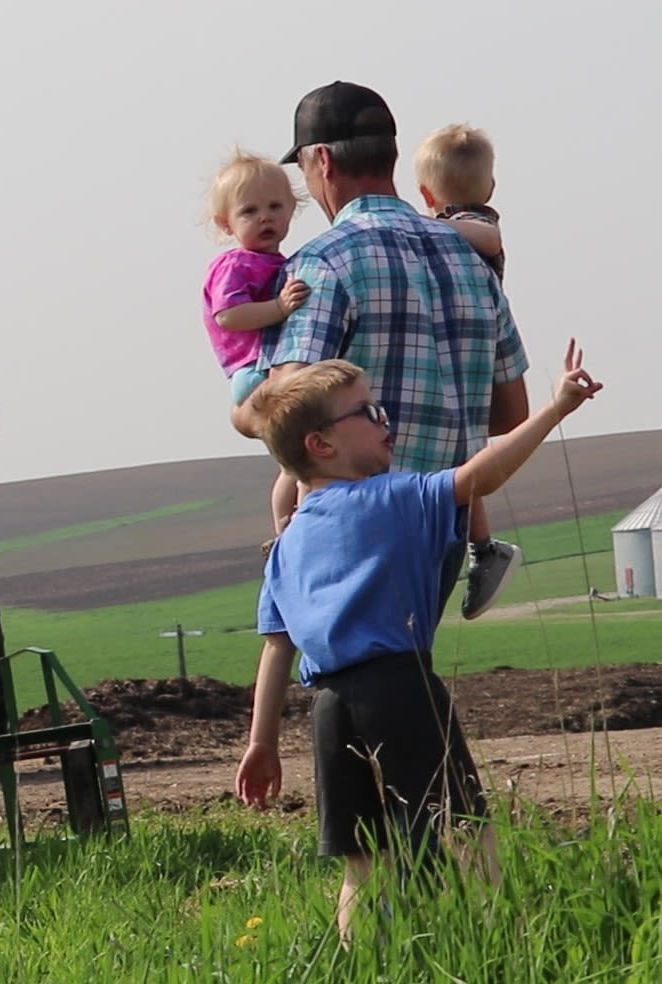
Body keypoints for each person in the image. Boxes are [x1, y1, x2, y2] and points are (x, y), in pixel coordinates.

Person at [234, 342, 604, 945]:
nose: (386, 422)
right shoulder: (389, 497)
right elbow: (484, 474)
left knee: (363, 864)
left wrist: (261, 743)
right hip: (399, 691)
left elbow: (277, 649)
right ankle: (488, 949)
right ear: (320, 445)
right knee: (465, 833)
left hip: (329, 710)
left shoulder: (287, 544)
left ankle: (368, 964)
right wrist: (556, 408)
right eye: (367, 413)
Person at [233, 80, 531, 621]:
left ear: (321, 160)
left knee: (354, 689)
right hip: (440, 523)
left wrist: (242, 412)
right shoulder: (471, 260)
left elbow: (287, 407)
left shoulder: (323, 262)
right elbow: (511, 413)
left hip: (354, 529)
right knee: (405, 680)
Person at [201, 149, 311, 539]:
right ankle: (291, 523)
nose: (265, 216)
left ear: (292, 210)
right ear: (226, 223)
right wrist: (279, 308)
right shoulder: (236, 265)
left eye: (275, 206)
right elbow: (229, 315)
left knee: (296, 459)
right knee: (302, 457)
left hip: (267, 367)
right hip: (255, 371)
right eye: (249, 211)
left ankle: (290, 524)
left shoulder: (276, 262)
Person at [416, 123, 506, 280]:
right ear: (491, 188)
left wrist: (425, 222)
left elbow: (490, 238)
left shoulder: (476, 219)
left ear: (427, 195)